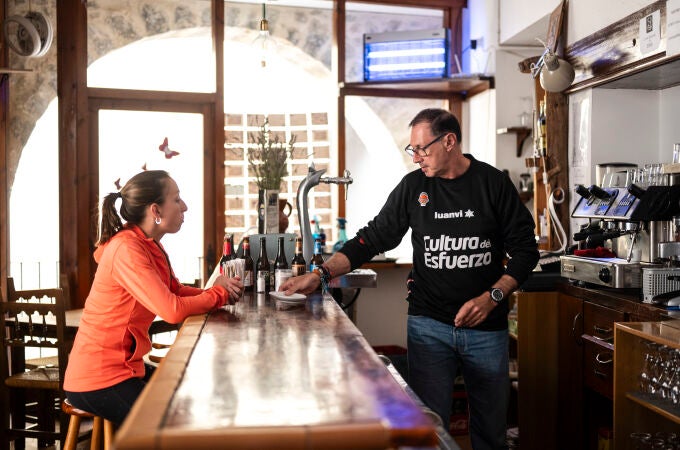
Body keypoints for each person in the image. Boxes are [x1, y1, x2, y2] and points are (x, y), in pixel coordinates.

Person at [281, 108, 539, 449]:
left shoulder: (492, 184)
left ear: (449, 141)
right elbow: (372, 238)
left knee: (491, 433)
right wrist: (321, 273)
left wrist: (491, 297)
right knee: (427, 431)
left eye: (422, 149)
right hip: (428, 326)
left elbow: (525, 251)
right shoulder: (414, 186)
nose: (416, 157)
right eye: (412, 150)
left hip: (486, 330)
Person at [64, 170, 243, 425]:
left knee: (184, 399)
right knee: (171, 424)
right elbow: (172, 309)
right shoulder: (127, 249)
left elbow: (175, 290)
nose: (185, 206)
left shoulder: (148, 243)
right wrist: (218, 294)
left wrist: (215, 291)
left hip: (124, 369)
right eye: (177, 199)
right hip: (99, 378)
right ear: (156, 211)